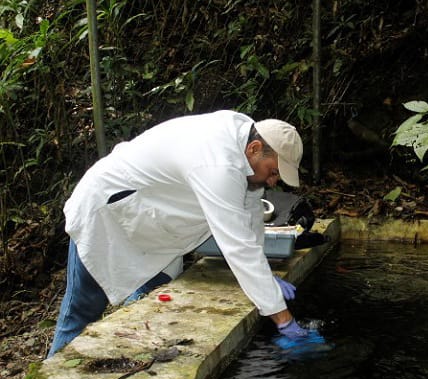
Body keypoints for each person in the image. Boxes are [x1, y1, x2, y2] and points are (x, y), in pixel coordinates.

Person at [47, 110, 315, 357]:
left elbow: (251, 213)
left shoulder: (245, 142)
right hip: (106, 213)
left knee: (149, 298)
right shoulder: (218, 164)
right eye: (273, 172)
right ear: (255, 149)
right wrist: (284, 320)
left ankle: (128, 363)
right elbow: (238, 246)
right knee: (81, 312)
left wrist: (265, 277)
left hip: (154, 228)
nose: (272, 182)